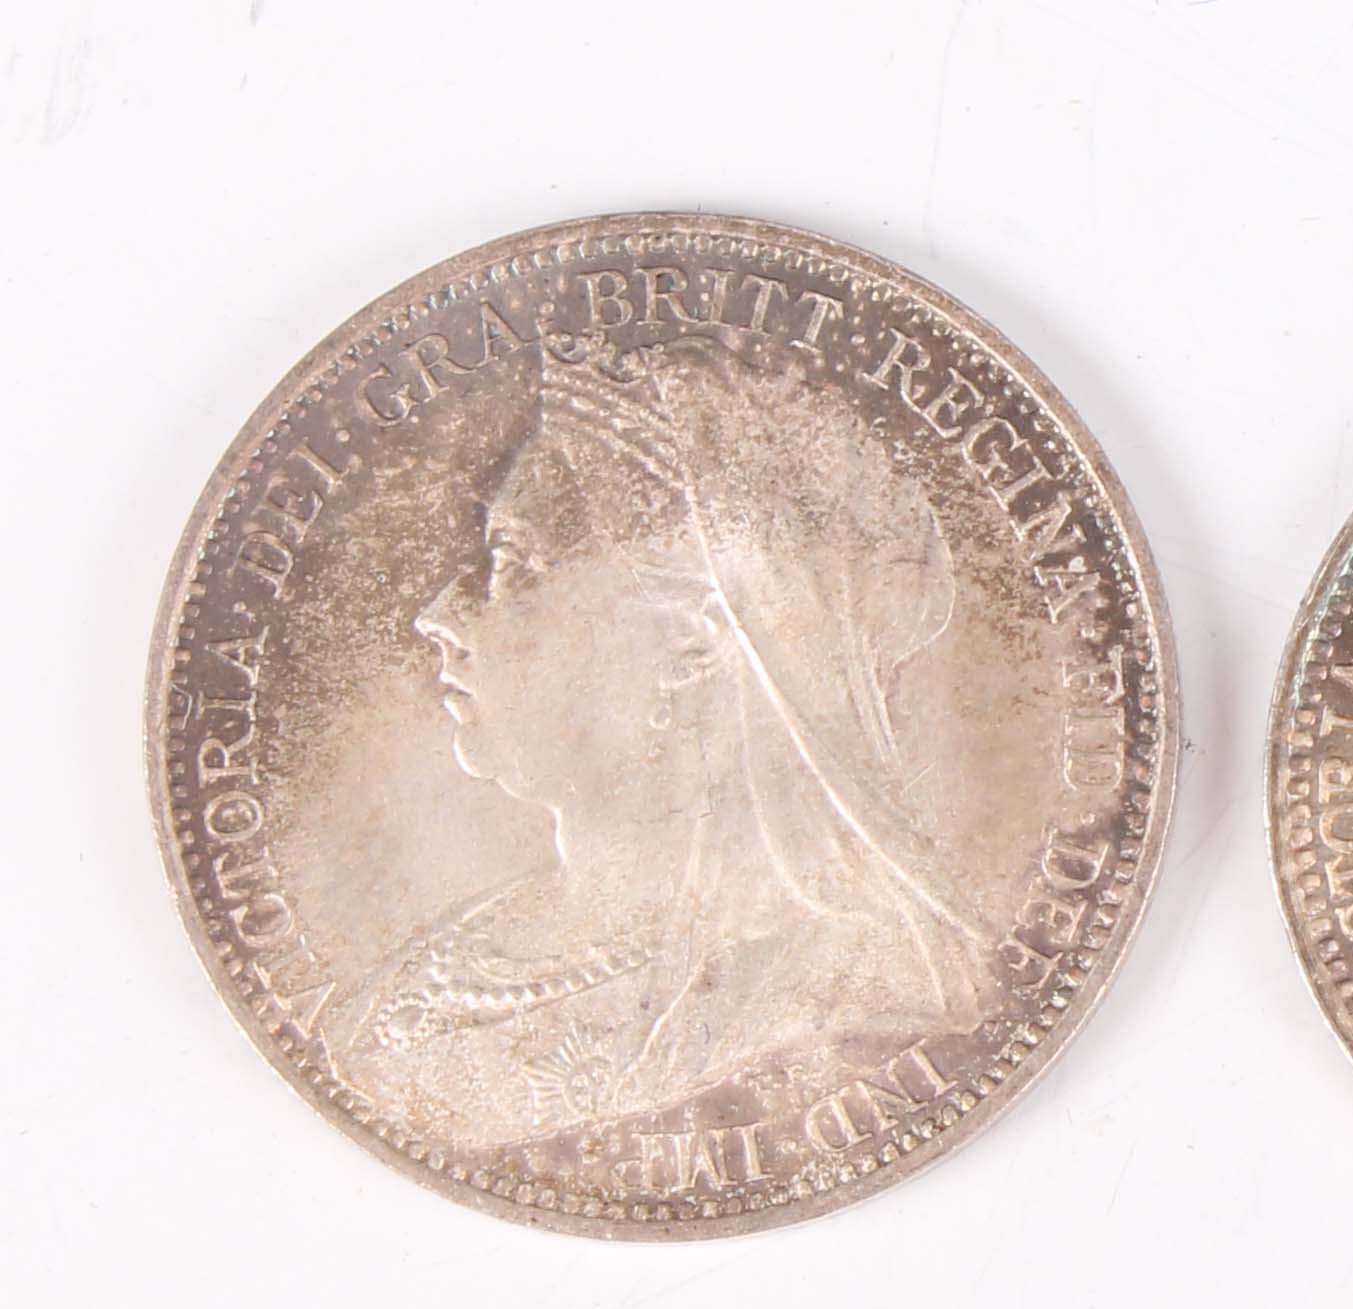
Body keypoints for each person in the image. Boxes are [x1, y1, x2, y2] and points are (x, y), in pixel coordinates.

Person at [324, 337, 986, 1145]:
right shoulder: (447, 958)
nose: (439, 615)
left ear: (693, 640)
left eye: (513, 563)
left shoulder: (847, 1001)